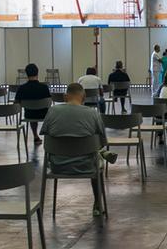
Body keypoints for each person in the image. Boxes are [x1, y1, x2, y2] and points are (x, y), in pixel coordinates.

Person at [43, 83, 118, 216]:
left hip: (57, 165)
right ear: (83, 97)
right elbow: (102, 141)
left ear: (65, 97)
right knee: (96, 154)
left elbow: (46, 136)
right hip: (87, 165)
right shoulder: (92, 114)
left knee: (93, 151)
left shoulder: (52, 111)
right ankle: (97, 204)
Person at [15, 63, 52, 144]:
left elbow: (16, 104)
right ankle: (48, 140)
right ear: (37, 73)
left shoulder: (21, 88)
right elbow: (49, 102)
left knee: (31, 111)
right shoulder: (44, 87)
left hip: (29, 115)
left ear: (26, 74)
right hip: (44, 115)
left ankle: (35, 136)